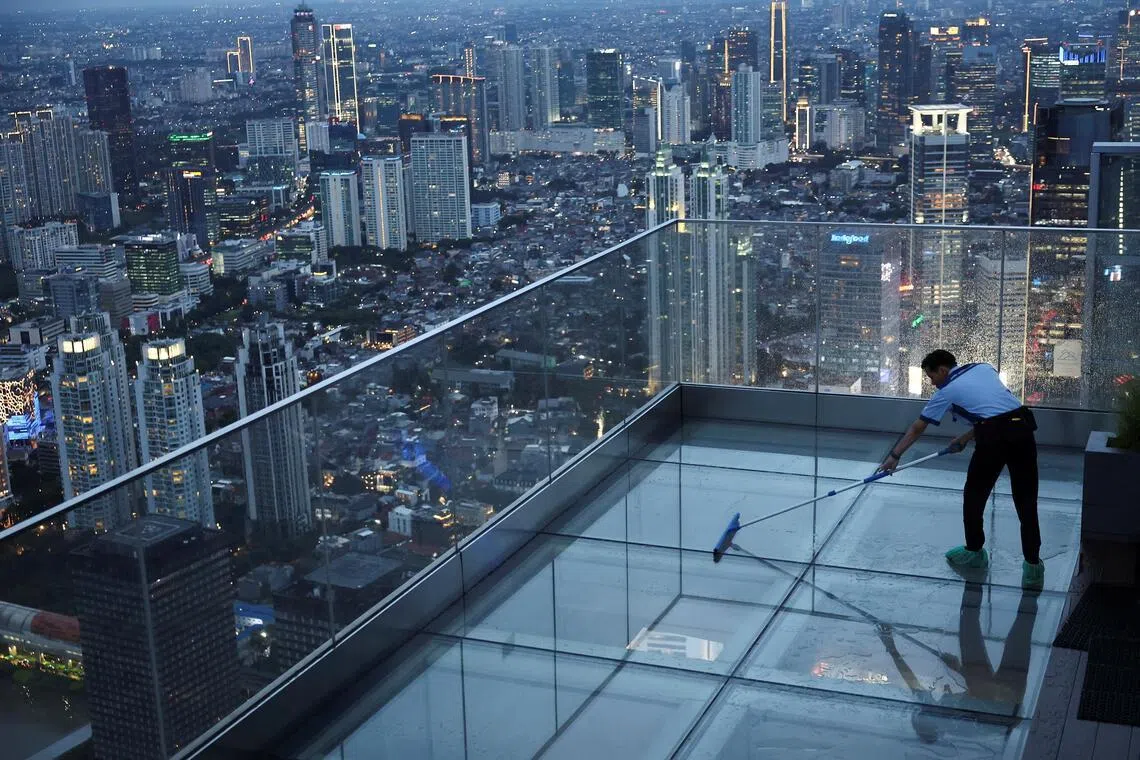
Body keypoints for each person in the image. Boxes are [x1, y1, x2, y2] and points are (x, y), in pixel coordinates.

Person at [877, 349, 1045, 589]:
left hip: (993, 439)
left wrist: (894, 457)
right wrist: (966, 437)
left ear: (943, 370)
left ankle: (975, 552)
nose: (932, 383)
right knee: (1026, 501)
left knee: (974, 496)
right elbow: (996, 409)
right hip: (1022, 431)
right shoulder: (984, 367)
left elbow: (917, 428)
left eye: (931, 376)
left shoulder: (946, 391)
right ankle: (1033, 566)